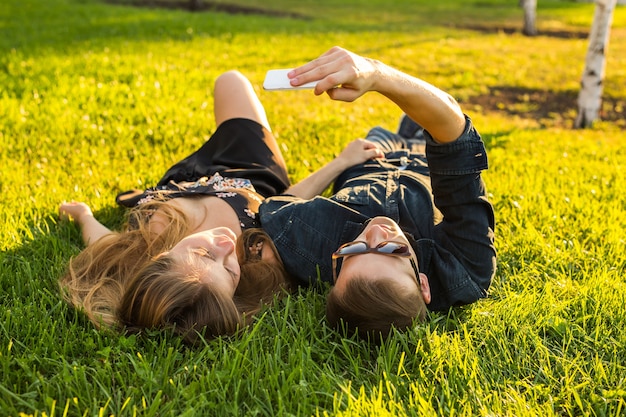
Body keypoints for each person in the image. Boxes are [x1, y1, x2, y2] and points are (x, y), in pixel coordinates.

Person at [256, 46, 497, 340]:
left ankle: (412, 112)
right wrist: (376, 73)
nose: (376, 233)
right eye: (393, 251)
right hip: (427, 158)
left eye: (354, 251)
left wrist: (341, 162)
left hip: (374, 152)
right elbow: (455, 132)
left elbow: (276, 205)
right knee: (435, 111)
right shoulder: (465, 270)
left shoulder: (311, 246)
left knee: (414, 108)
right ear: (423, 284)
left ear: (336, 274)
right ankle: (416, 113)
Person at [59, 70, 296, 343]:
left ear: (161, 258)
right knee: (231, 80)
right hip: (249, 167)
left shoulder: (142, 248)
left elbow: (102, 241)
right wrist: (340, 162)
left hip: (183, 177)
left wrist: (83, 215)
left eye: (204, 252)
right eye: (230, 272)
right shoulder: (257, 257)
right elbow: (290, 202)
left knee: (227, 79)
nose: (227, 246)